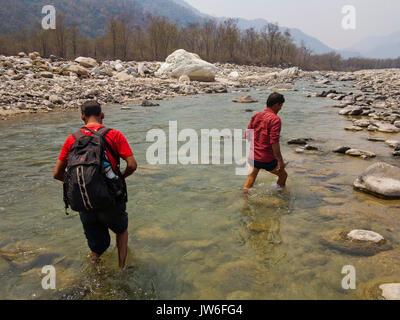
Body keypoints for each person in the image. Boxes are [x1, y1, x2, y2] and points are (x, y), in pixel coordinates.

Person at [53, 100, 137, 269]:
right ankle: (122, 268)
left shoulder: (72, 139)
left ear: (82, 117)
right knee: (121, 230)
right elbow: (132, 165)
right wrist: (119, 178)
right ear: (103, 115)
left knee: (96, 245)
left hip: (84, 200)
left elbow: (57, 174)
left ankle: (95, 270)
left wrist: (77, 185)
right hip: (110, 198)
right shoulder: (114, 135)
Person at [243, 92, 288, 191]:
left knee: (250, 181)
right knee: (283, 175)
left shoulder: (256, 116)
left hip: (253, 156)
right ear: (277, 104)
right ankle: (280, 197)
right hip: (267, 158)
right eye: (281, 106)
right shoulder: (275, 119)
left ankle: (244, 202)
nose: (281, 108)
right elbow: (274, 142)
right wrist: (280, 161)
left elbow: (247, 136)